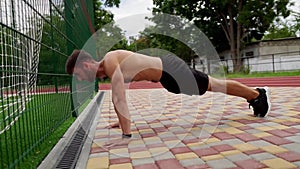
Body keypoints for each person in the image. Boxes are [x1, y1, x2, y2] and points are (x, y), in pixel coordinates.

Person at [66, 49, 271, 139]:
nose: (81, 79)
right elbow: (119, 95)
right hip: (167, 77)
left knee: (214, 85)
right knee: (211, 85)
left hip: (171, 69)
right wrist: (121, 122)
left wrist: (126, 134)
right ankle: (254, 94)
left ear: (85, 65)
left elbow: (119, 96)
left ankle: (256, 94)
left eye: (79, 75)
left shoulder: (110, 61)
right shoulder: (111, 67)